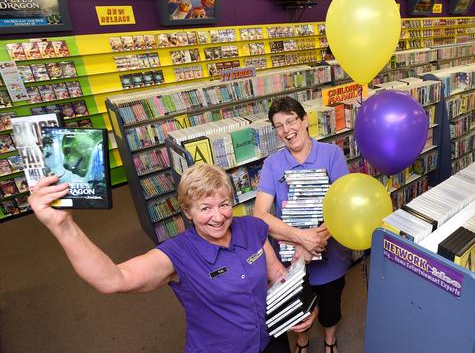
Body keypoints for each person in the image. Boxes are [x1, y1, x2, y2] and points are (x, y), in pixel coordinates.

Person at [28, 163, 316, 353]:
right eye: (205, 208)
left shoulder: (252, 228)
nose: (219, 216)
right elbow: (113, 279)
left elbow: (277, 273)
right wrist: (63, 226)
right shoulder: (178, 254)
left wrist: (299, 307)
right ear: (187, 211)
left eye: (225, 204)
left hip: (271, 342)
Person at [254, 97, 351, 353]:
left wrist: (313, 244)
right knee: (296, 310)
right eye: (279, 126)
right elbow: (260, 215)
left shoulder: (332, 154)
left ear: (305, 119)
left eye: (291, 120)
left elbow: (343, 207)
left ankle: (330, 340)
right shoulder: (272, 165)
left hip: (330, 257)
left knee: (330, 307)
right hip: (289, 260)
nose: (286, 130)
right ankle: (302, 343)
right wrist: (301, 239)